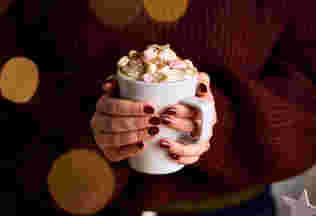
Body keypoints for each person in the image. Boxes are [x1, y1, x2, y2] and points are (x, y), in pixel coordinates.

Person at [33, 0, 315, 215]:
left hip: (230, 202)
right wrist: (86, 122)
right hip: (71, 192)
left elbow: (308, 94)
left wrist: (217, 120)